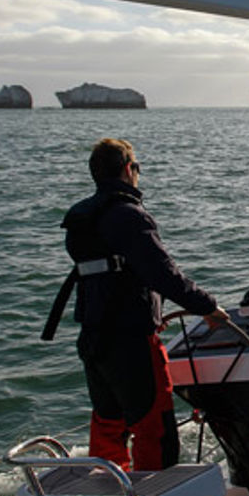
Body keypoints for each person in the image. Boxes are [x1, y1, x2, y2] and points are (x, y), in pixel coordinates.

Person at [54, 138, 228, 472]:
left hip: (93, 340)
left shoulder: (82, 220)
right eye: (137, 168)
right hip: (130, 342)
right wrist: (207, 307)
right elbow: (164, 275)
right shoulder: (129, 216)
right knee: (154, 427)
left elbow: (109, 279)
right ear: (127, 170)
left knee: (108, 423)